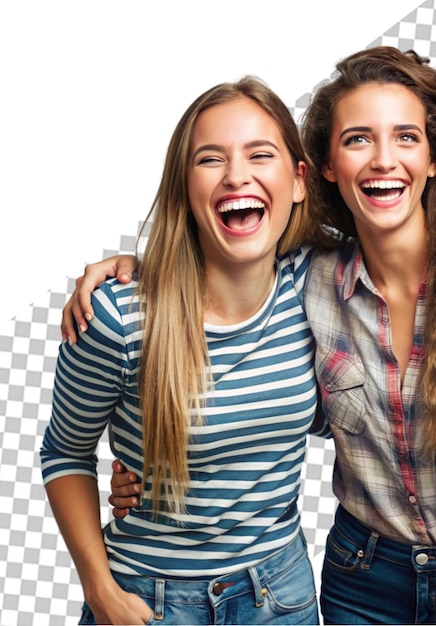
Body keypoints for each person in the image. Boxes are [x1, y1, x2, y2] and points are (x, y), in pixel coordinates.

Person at [61, 48, 436, 625]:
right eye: (357, 139)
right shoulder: (316, 284)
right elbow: (217, 281)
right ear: (326, 166)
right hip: (361, 581)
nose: (383, 160)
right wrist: (133, 266)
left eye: (406, 137)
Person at [40, 77, 322, 625]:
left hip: (280, 595)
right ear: (184, 188)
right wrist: (102, 593)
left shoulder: (316, 285)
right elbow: (65, 453)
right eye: (210, 159)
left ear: (298, 180)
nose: (237, 174)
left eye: (260, 155)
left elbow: (406, 229)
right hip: (147, 600)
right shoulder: (119, 319)